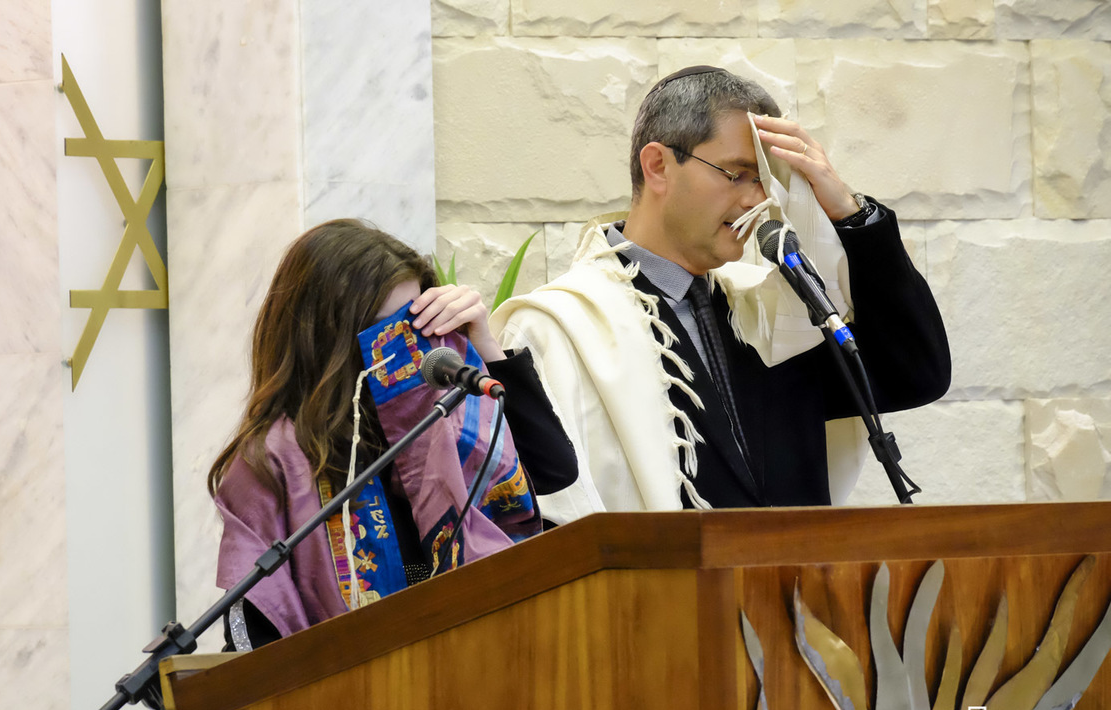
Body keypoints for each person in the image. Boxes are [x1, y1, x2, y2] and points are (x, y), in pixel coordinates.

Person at [491, 66, 951, 525]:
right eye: (738, 174)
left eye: (765, 181)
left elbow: (913, 373)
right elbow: (544, 517)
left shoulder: (770, 315)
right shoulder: (558, 328)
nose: (757, 202)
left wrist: (848, 213)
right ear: (658, 166)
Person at [210, 219, 575, 651]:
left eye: (419, 322)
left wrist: (484, 346)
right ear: (330, 340)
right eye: (390, 329)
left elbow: (552, 470)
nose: (408, 344)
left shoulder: (441, 416)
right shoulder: (272, 461)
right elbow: (257, 635)